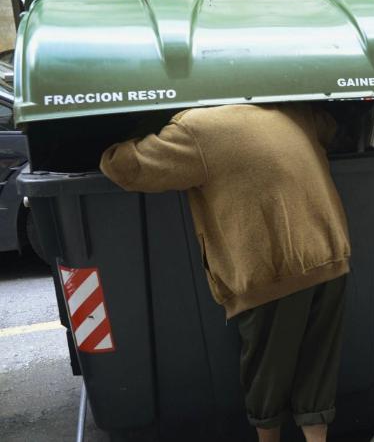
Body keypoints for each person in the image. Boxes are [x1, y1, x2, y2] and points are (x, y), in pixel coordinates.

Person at [100, 103, 351, 442]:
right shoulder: (288, 110)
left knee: (266, 373)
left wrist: (117, 140)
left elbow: (127, 168)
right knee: (317, 368)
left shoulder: (195, 130)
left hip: (271, 272)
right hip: (329, 255)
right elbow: (332, 128)